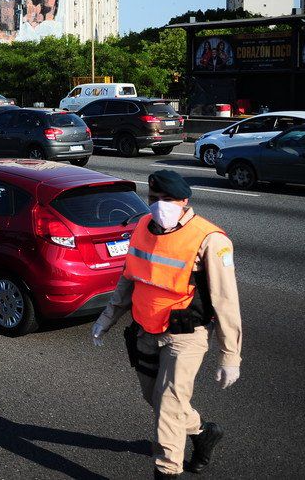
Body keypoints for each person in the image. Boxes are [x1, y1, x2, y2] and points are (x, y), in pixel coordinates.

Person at [90, 170, 242, 478]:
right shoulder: (143, 226)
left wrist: (230, 356)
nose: (160, 206)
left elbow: (226, 301)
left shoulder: (210, 239)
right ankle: (202, 433)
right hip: (145, 329)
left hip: (185, 334)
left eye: (168, 200)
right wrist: (107, 318)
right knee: (155, 399)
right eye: (154, 199)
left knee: (169, 408)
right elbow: (128, 277)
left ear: (184, 201)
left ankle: (167, 469)